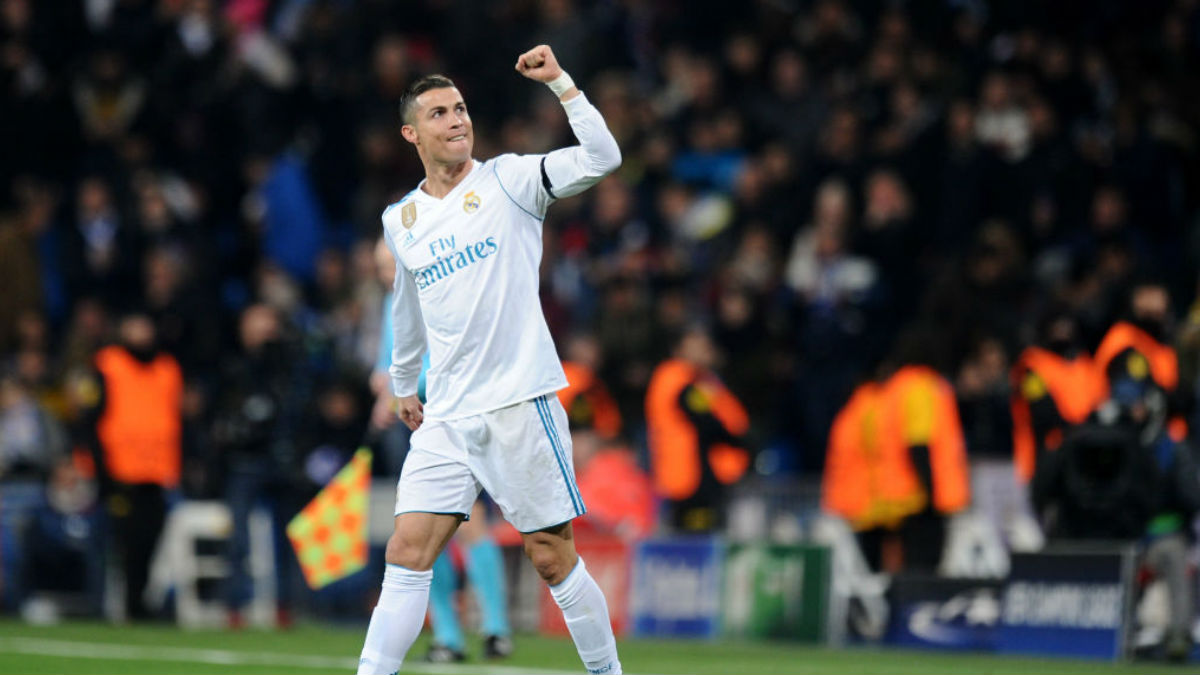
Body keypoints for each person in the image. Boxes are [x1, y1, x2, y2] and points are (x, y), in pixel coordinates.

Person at [357, 45, 623, 675]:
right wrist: (402, 384)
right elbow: (408, 306)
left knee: (552, 557)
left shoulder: (510, 180)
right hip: (447, 415)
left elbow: (604, 157)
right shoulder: (402, 218)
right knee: (407, 550)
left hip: (519, 404)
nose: (456, 121)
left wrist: (560, 82)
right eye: (440, 113)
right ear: (411, 133)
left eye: (461, 109)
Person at [369, 236, 513, 664]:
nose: (385, 275)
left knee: (469, 526)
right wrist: (384, 390)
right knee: (419, 534)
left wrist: (399, 389)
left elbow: (449, 365)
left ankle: (494, 628)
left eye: (389, 265)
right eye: (379, 268)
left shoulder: (439, 293)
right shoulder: (391, 303)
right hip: (410, 425)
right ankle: (449, 634)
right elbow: (386, 363)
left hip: (453, 419)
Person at [89, 312, 183, 620]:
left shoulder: (168, 368)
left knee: (151, 539)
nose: (141, 332)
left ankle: (139, 601)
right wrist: (98, 466)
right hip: (119, 471)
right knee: (122, 542)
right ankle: (115, 603)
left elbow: (177, 418)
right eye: (135, 326)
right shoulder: (107, 364)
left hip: (157, 471)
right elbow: (90, 419)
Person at [645, 325, 750, 533]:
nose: (704, 351)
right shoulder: (678, 380)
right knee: (694, 538)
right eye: (697, 345)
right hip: (688, 475)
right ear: (679, 349)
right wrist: (737, 440)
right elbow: (705, 419)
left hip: (685, 471)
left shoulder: (691, 379)